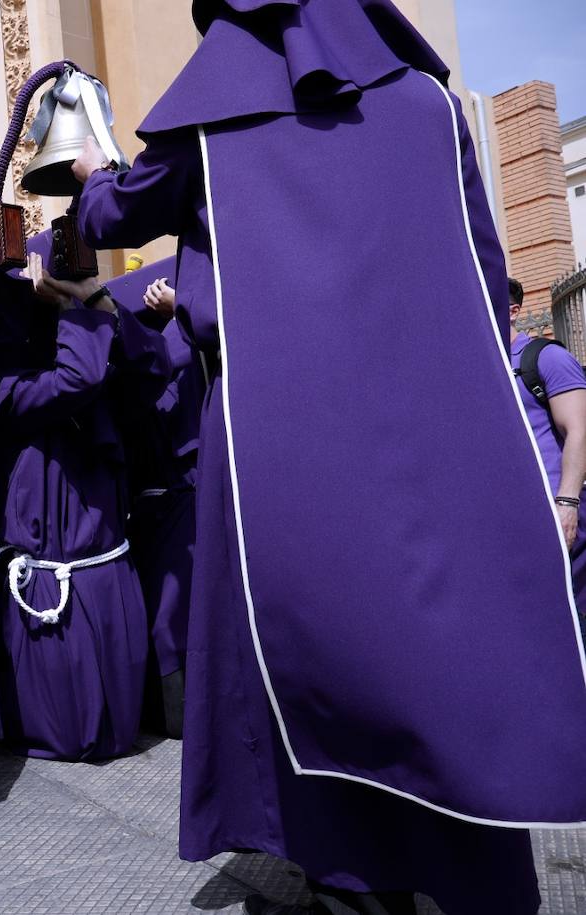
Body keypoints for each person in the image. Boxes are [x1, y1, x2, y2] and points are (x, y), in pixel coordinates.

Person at [75, 1, 586, 913]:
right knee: (441, 645)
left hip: (273, 426)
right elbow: (482, 264)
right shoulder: (430, 103)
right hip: (430, 416)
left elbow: (112, 210)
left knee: (308, 647)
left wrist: (88, 171)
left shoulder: (213, 118)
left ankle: (351, 878)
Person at [0, 252, 163, 760]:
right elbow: (76, 381)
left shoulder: (90, 346)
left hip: (99, 551)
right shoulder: (4, 385)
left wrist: (92, 296)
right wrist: (71, 310)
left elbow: (154, 366)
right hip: (52, 561)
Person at [107, 266, 202, 739]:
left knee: (169, 612)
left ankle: (175, 717)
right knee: (166, 612)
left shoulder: (181, 341)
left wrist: (179, 311)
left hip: (176, 490)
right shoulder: (155, 351)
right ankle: (174, 718)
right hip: (163, 493)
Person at [507, 277, 586, 605]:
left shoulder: (546, 359)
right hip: (513, 528)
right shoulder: (482, 368)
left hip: (560, 522)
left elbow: (580, 431)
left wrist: (567, 503)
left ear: (513, 311)